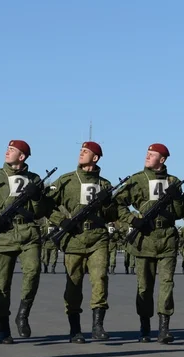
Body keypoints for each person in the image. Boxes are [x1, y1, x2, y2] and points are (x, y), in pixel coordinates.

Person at [0, 140, 48, 344]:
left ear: (22, 156)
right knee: (2, 283)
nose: (7, 152)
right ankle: (3, 327)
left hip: (28, 232)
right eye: (7, 148)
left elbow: (41, 210)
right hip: (4, 233)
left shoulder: (34, 179)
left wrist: (38, 197)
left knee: (33, 271)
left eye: (12, 150)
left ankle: (23, 314)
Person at [48, 141, 119, 343]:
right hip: (74, 238)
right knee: (74, 283)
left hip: (98, 238)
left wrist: (107, 203)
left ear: (95, 158)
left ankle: (98, 326)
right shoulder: (66, 180)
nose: (81, 154)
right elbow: (46, 205)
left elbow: (111, 214)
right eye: (80, 150)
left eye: (86, 152)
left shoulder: (104, 184)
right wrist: (61, 221)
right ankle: (75, 329)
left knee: (100, 279)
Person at [114, 143, 184, 343]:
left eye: (152, 154)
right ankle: (145, 326)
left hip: (167, 238)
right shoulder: (137, 179)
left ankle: (164, 328)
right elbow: (118, 203)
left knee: (166, 284)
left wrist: (177, 198)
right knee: (144, 286)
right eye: (147, 153)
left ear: (162, 160)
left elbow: (180, 212)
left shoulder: (174, 182)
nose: (147, 156)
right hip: (144, 238)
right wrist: (131, 220)